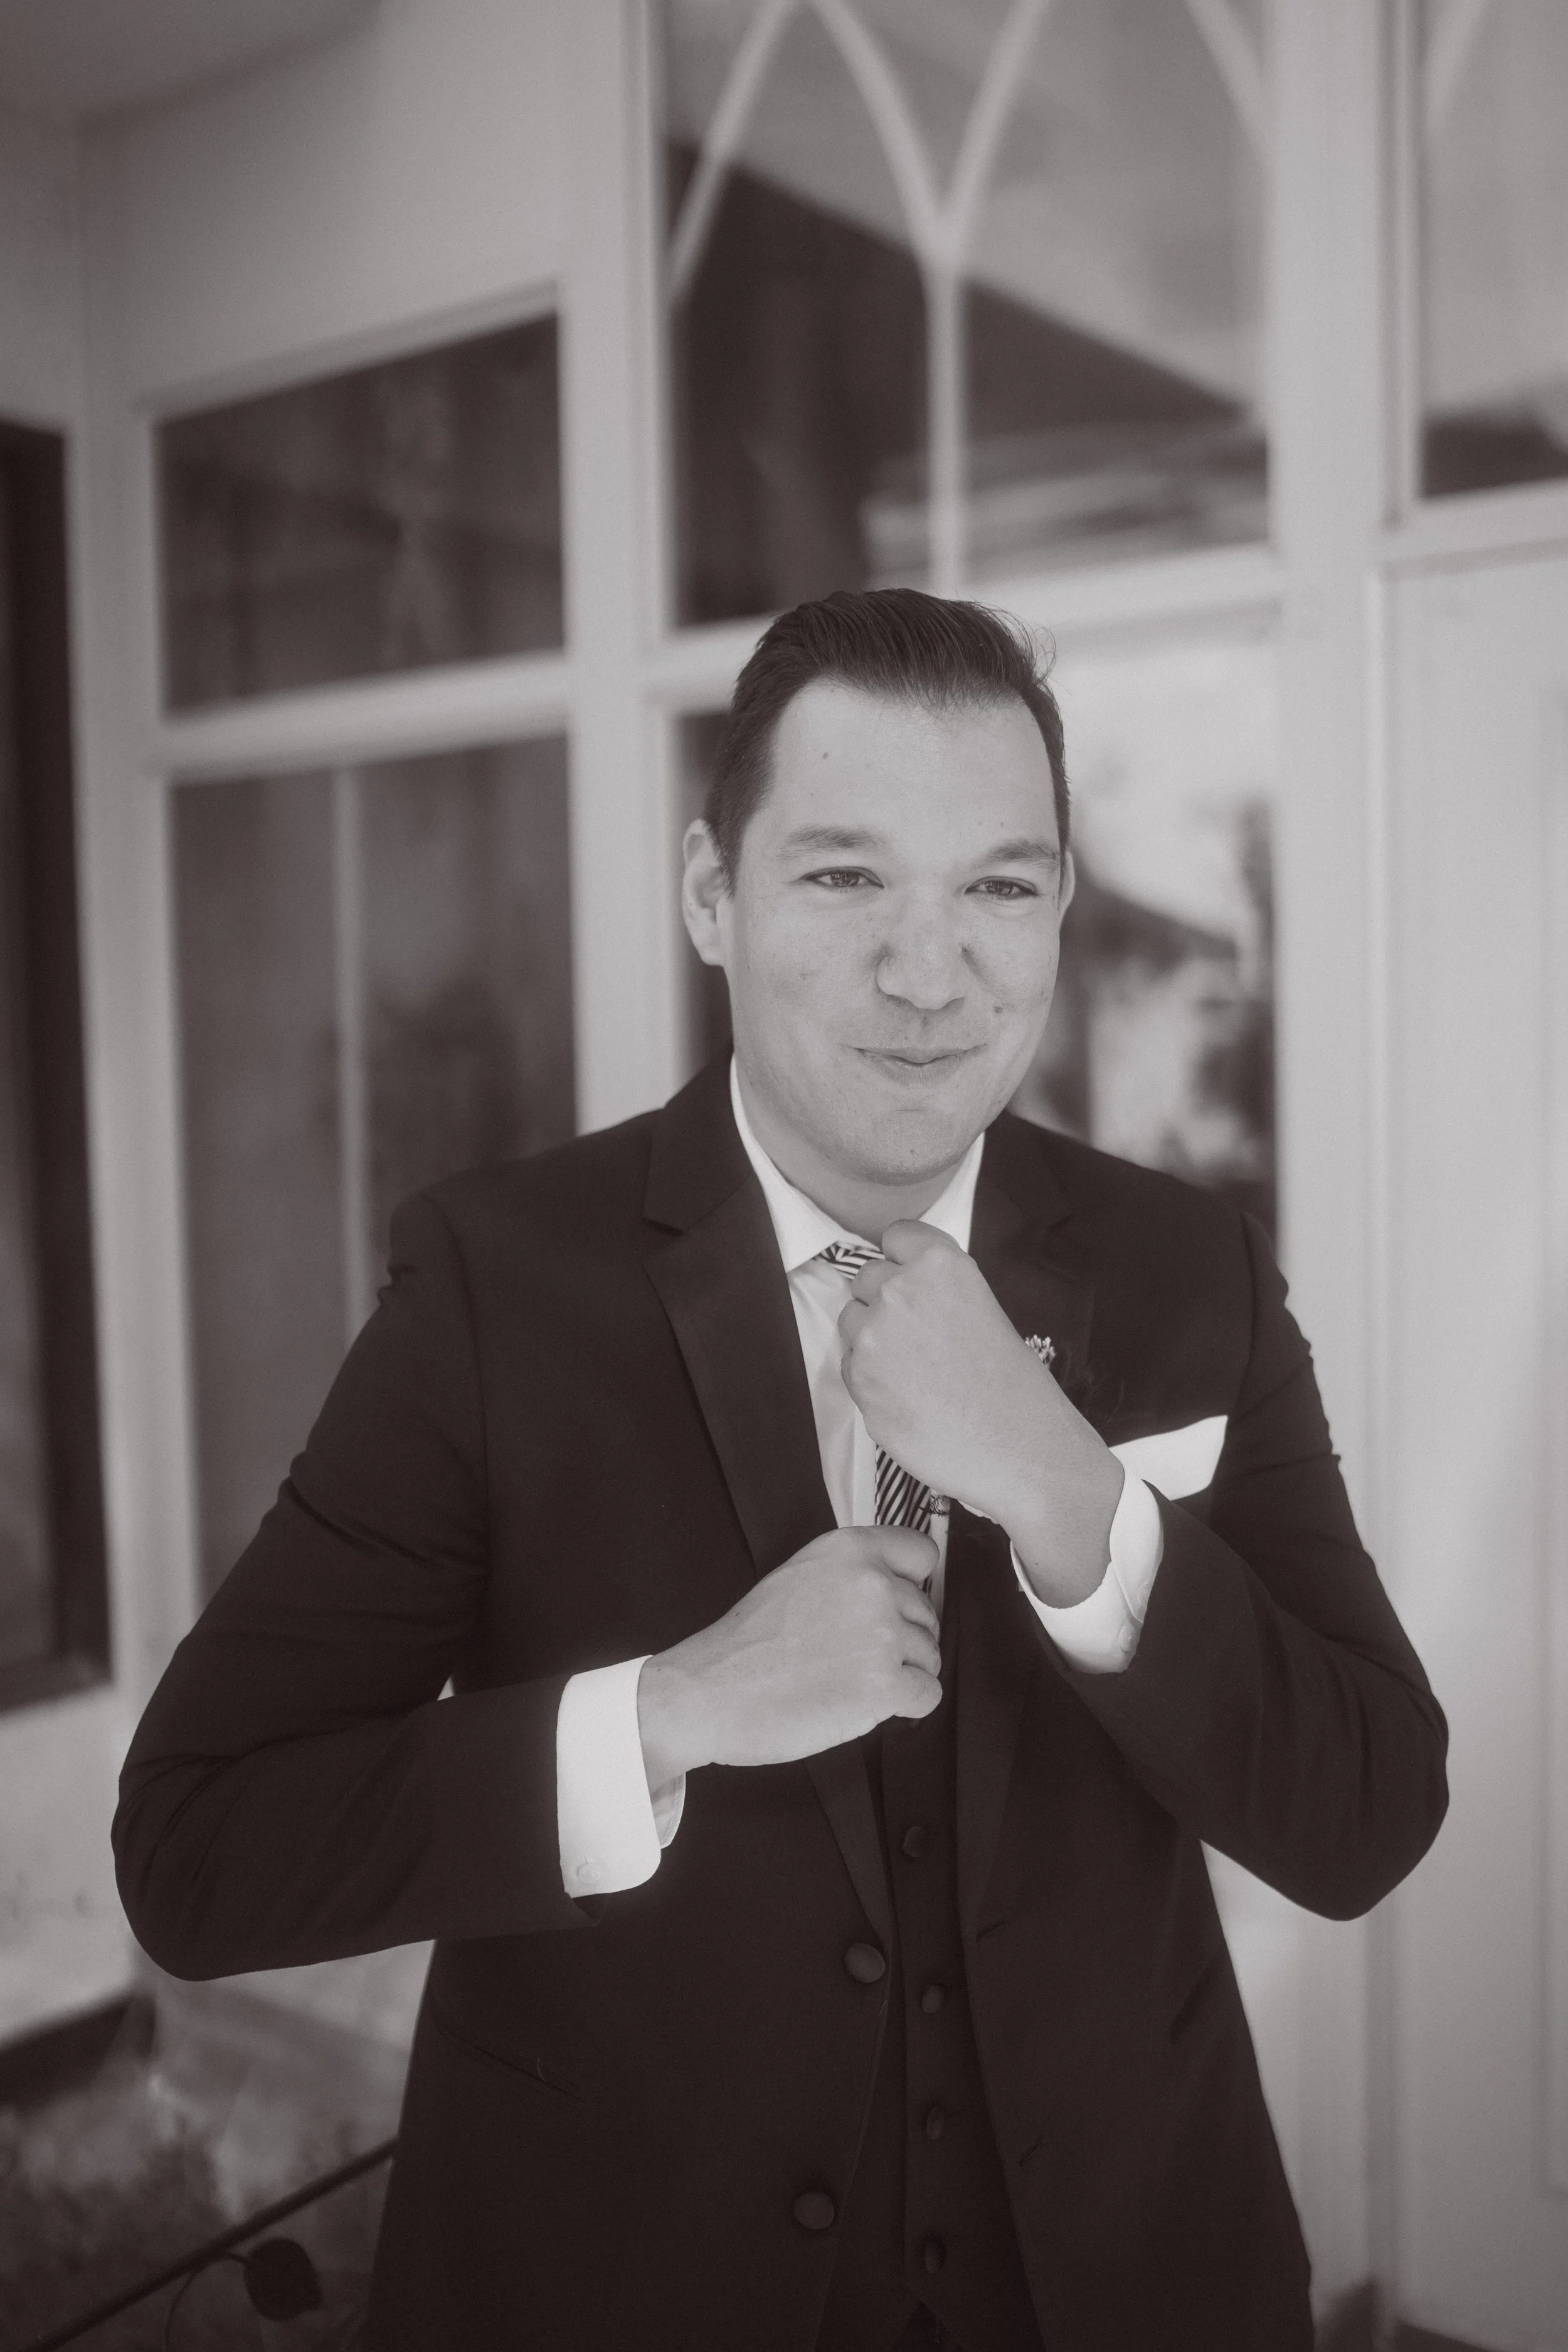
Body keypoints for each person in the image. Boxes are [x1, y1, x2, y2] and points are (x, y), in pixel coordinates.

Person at [115, 589, 1446, 2352]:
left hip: (1130, 2277)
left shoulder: (1184, 1270)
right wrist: (663, 1712)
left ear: (1057, 907)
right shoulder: (494, 1286)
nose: (929, 969)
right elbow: (202, 1849)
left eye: (997, 883)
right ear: (706, 895)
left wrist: (1069, 1497)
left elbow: (1363, 1811)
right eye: (840, 878)